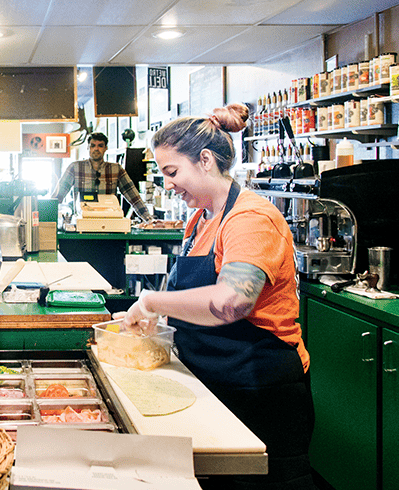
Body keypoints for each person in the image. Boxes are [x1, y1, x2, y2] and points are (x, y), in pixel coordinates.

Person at [115, 103, 314, 489]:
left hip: (259, 388)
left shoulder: (251, 218)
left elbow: (231, 301)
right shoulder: (201, 218)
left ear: (205, 160)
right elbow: (190, 295)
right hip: (212, 379)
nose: (168, 184)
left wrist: (152, 302)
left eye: (172, 172)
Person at [51, 132, 153, 221]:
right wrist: (46, 218)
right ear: (88, 147)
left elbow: (134, 197)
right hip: (82, 223)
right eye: (93, 145)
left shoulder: (116, 169)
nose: (96, 149)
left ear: (105, 148)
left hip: (109, 224)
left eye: (100, 145)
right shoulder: (75, 167)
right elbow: (57, 197)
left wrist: (148, 220)